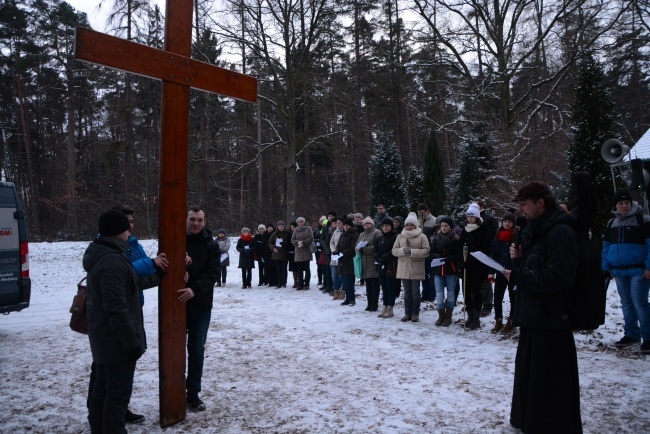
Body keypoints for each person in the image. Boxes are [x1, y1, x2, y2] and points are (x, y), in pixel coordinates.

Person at [503, 181, 582, 433]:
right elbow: (538, 267)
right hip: (534, 316)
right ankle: (529, 419)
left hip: (550, 319)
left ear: (541, 202)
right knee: (531, 376)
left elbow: (559, 277)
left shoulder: (560, 232)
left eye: (524, 204)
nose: (521, 210)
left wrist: (518, 276)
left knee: (548, 380)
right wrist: (519, 259)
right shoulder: (538, 229)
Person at [84, 210, 160, 433]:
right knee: (116, 398)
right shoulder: (112, 262)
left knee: (102, 393)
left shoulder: (107, 255)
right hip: (116, 343)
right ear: (118, 231)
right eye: (127, 227)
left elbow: (131, 283)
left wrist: (160, 276)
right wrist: (132, 344)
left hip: (105, 340)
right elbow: (117, 308)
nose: (130, 231)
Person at [177, 206, 220, 412]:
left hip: (200, 304)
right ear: (186, 220)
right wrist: (180, 267)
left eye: (199, 220)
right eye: (192, 219)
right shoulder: (176, 240)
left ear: (204, 222)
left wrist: (194, 290)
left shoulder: (211, 245)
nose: (195, 223)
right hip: (175, 304)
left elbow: (213, 273)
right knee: (173, 350)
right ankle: (173, 391)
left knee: (196, 350)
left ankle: (193, 394)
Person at [602, 190, 650, 354]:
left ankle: (648, 337)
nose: (624, 206)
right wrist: (605, 266)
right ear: (615, 206)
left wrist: (649, 266)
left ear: (631, 203)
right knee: (627, 303)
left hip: (639, 270)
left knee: (640, 302)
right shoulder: (611, 223)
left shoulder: (642, 220)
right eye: (620, 203)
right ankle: (632, 334)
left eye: (626, 203)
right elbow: (606, 247)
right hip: (619, 270)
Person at [459, 203, 492, 330]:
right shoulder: (465, 229)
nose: (470, 219)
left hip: (478, 266)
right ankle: (470, 315)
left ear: (477, 217)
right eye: (468, 217)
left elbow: (486, 248)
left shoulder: (484, 230)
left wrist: (472, 260)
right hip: (466, 266)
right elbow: (460, 247)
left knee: (476, 291)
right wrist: (462, 262)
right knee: (466, 292)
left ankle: (476, 318)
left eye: (472, 217)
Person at [392, 212, 430, 322]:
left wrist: (412, 252)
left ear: (415, 225)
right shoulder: (400, 236)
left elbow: (426, 251)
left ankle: (415, 313)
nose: (409, 227)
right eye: (407, 225)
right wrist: (402, 251)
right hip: (404, 268)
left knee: (416, 291)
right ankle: (407, 313)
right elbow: (394, 251)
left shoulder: (422, 236)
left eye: (411, 225)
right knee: (407, 292)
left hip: (416, 267)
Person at [430, 216, 461, 327]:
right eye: (442, 226)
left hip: (451, 269)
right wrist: (438, 256)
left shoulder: (456, 239)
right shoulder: (436, 238)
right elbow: (431, 252)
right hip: (438, 269)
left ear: (450, 227)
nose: (443, 228)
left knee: (451, 293)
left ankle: (448, 316)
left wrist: (448, 258)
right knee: (439, 294)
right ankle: (441, 315)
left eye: (446, 226)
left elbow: (458, 255)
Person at [490, 213, 516, 333]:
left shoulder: (516, 236)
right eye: (505, 221)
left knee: (513, 298)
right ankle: (498, 320)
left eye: (509, 222)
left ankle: (511, 321)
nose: (507, 223)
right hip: (500, 271)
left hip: (512, 272)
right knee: (497, 298)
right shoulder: (498, 236)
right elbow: (494, 255)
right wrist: (491, 272)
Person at [475, 199, 498, 317]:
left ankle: (488, 305)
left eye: (476, 205)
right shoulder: (471, 219)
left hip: (485, 252)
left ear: (482, 206)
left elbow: (493, 235)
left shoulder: (489, 219)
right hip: (474, 254)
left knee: (485, 281)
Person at [357, 216, 382, 311]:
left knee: (374, 284)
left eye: (368, 223)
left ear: (372, 224)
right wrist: (359, 250)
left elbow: (377, 246)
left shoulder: (377, 232)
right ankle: (369, 303)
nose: (366, 225)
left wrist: (365, 249)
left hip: (373, 261)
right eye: (365, 224)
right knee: (368, 285)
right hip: (364, 262)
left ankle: (374, 304)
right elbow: (357, 246)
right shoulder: (362, 234)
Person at [375, 217, 397, 318]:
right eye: (383, 226)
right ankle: (384, 305)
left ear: (391, 226)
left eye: (387, 225)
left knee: (390, 287)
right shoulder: (380, 238)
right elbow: (375, 250)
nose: (385, 227)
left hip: (391, 264)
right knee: (383, 287)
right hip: (381, 265)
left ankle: (390, 307)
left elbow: (394, 251)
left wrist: (384, 258)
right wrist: (377, 258)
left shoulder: (395, 236)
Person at [336, 218, 359, 306]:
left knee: (349, 280)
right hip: (342, 259)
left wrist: (343, 253)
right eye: (344, 225)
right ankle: (347, 298)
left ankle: (352, 298)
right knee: (344, 281)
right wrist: (337, 251)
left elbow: (353, 247)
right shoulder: (343, 234)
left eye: (347, 225)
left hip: (349, 259)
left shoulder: (354, 234)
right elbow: (339, 244)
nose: (345, 227)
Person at [417, 203, 437, 302]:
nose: (421, 214)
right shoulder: (418, 222)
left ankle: (432, 294)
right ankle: (424, 293)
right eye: (419, 213)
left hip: (430, 251)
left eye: (423, 212)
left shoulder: (433, 221)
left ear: (427, 211)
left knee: (431, 274)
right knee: (423, 274)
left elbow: (435, 236)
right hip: (421, 252)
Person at [292, 217, 314, 290]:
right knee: (300, 269)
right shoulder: (295, 230)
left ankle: (307, 284)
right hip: (298, 250)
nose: (300, 223)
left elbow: (311, 238)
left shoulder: (308, 228)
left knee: (307, 268)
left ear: (304, 222)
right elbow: (292, 239)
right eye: (299, 222)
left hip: (306, 250)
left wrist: (304, 242)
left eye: (302, 222)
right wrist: (297, 242)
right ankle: (300, 284)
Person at [269, 221, 291, 288]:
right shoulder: (274, 234)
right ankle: (279, 282)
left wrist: (284, 243)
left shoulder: (287, 233)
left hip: (284, 253)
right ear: (277, 227)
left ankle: (284, 282)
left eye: (282, 226)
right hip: (276, 254)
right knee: (278, 269)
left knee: (284, 269)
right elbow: (270, 242)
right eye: (279, 226)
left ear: (284, 226)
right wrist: (273, 248)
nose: (280, 228)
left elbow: (290, 242)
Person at [329, 218, 344, 298]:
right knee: (334, 274)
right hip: (335, 255)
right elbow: (331, 242)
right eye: (337, 223)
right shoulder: (335, 231)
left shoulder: (345, 232)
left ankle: (342, 291)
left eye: (339, 223)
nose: (338, 225)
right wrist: (333, 250)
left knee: (341, 274)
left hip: (342, 255)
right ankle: (336, 289)